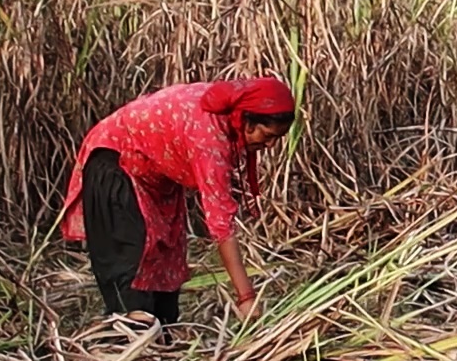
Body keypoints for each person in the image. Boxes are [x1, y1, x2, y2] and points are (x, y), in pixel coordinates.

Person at [59, 76, 296, 326]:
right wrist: (246, 297)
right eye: (268, 135)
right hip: (118, 164)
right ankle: (129, 349)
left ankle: (161, 346)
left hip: (155, 178)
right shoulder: (209, 137)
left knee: (163, 283)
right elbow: (221, 223)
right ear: (247, 121)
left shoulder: (226, 115)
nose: (270, 145)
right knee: (133, 276)